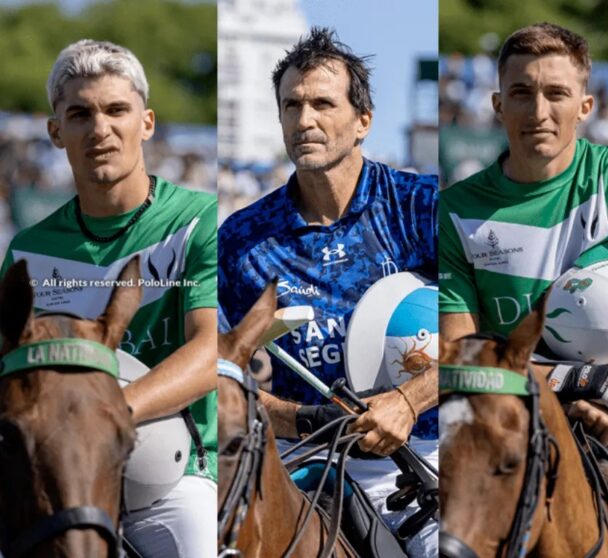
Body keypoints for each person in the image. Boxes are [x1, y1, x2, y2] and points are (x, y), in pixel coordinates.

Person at [217, 27, 438, 557]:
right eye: (291, 106)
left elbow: (486, 339)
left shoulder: (425, 206)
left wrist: (408, 402)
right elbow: (216, 378)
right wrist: (302, 419)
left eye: (322, 104)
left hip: (430, 454)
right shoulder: (240, 241)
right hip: (304, 465)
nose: (305, 120)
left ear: (363, 121)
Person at [1, 40, 217, 556]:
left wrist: (102, 414)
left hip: (172, 479)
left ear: (146, 122)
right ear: (56, 132)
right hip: (53, 479)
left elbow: (209, 350)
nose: (100, 129)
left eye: (117, 110)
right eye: (80, 114)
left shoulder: (201, 220)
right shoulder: (27, 250)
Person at [438, 22, 608, 454]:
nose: (539, 112)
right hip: (518, 428)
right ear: (498, 104)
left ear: (585, 106)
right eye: (521, 93)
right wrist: (571, 379)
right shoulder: (454, 211)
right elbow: (456, 358)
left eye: (556, 94)